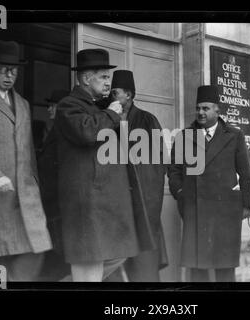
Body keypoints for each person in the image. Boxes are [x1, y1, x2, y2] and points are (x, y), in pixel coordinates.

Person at [54, 49, 155, 281]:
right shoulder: (69, 105)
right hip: (88, 203)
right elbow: (87, 132)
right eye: (103, 77)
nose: (108, 82)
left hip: (105, 204)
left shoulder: (95, 106)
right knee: (89, 265)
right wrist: (111, 114)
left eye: (108, 77)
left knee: (117, 254)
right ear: (86, 79)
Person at [0, 40, 52, 281]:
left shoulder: (23, 104)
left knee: (36, 250)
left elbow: (28, 150)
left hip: (26, 197)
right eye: (3, 69)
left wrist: (35, 184)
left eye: (14, 70)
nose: (9, 75)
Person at [168, 85, 250, 282]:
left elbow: (245, 173)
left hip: (225, 211)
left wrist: (247, 205)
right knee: (197, 268)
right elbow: (174, 169)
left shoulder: (234, 135)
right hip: (195, 208)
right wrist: (180, 192)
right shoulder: (184, 136)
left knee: (225, 267)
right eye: (198, 108)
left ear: (217, 110)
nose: (200, 112)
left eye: (206, 108)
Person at [104, 70, 168, 282]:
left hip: (142, 203)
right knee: (113, 268)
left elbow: (159, 162)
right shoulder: (105, 118)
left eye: (116, 93)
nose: (111, 97)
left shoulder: (147, 121)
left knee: (144, 268)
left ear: (129, 95)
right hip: (114, 204)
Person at [36, 89, 70, 281]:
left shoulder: (63, 131)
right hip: (51, 205)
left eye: (52, 105)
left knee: (58, 256)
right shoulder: (54, 129)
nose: (49, 109)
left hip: (57, 205)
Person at [32, 90, 69, 154]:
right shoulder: (56, 127)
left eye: (52, 106)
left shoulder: (66, 130)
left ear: (62, 107)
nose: (49, 109)